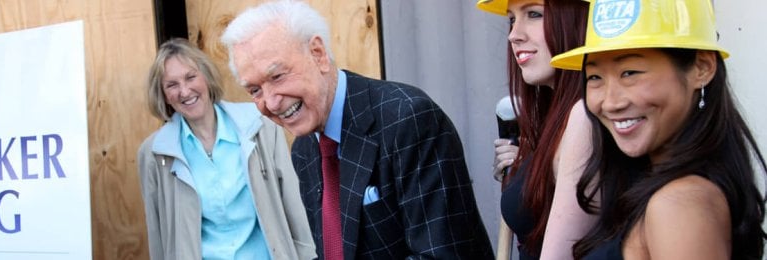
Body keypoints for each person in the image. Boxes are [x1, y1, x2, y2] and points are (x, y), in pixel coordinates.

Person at [221, 1, 494, 259]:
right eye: (255, 90)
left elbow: (443, 254)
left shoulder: (407, 119)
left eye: (277, 76)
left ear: (318, 54)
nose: (270, 103)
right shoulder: (304, 149)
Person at [549, 0, 767, 258]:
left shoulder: (680, 204)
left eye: (630, 73)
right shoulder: (658, 185)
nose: (610, 102)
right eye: (594, 77)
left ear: (703, 68)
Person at [136, 38, 316, 260]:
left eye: (190, 77)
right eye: (172, 85)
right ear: (163, 95)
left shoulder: (260, 126)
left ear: (206, 77)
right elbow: (157, 233)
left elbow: (293, 204)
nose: (184, 91)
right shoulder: (155, 154)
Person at [477, 0, 597, 259]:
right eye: (511, 19)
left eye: (534, 14)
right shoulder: (556, 119)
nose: (513, 35)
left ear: (579, 19)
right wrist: (526, 171)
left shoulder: (584, 117)